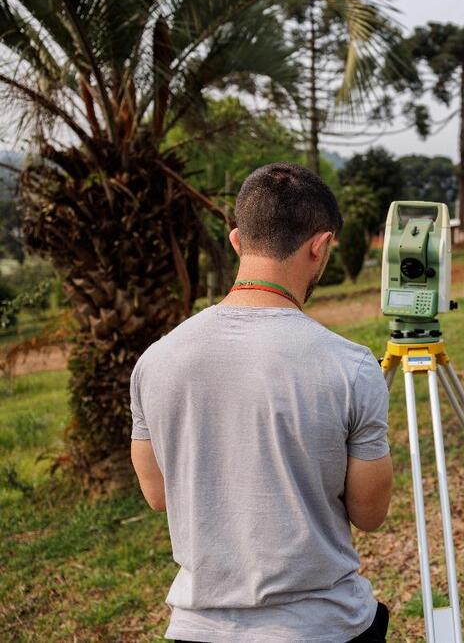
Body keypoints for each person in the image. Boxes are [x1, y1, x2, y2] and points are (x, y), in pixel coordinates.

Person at [129, 162, 393, 643]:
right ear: (321, 246)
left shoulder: (155, 361)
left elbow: (157, 494)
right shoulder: (352, 367)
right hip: (324, 628)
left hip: (196, 629)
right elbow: (370, 515)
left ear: (236, 240)